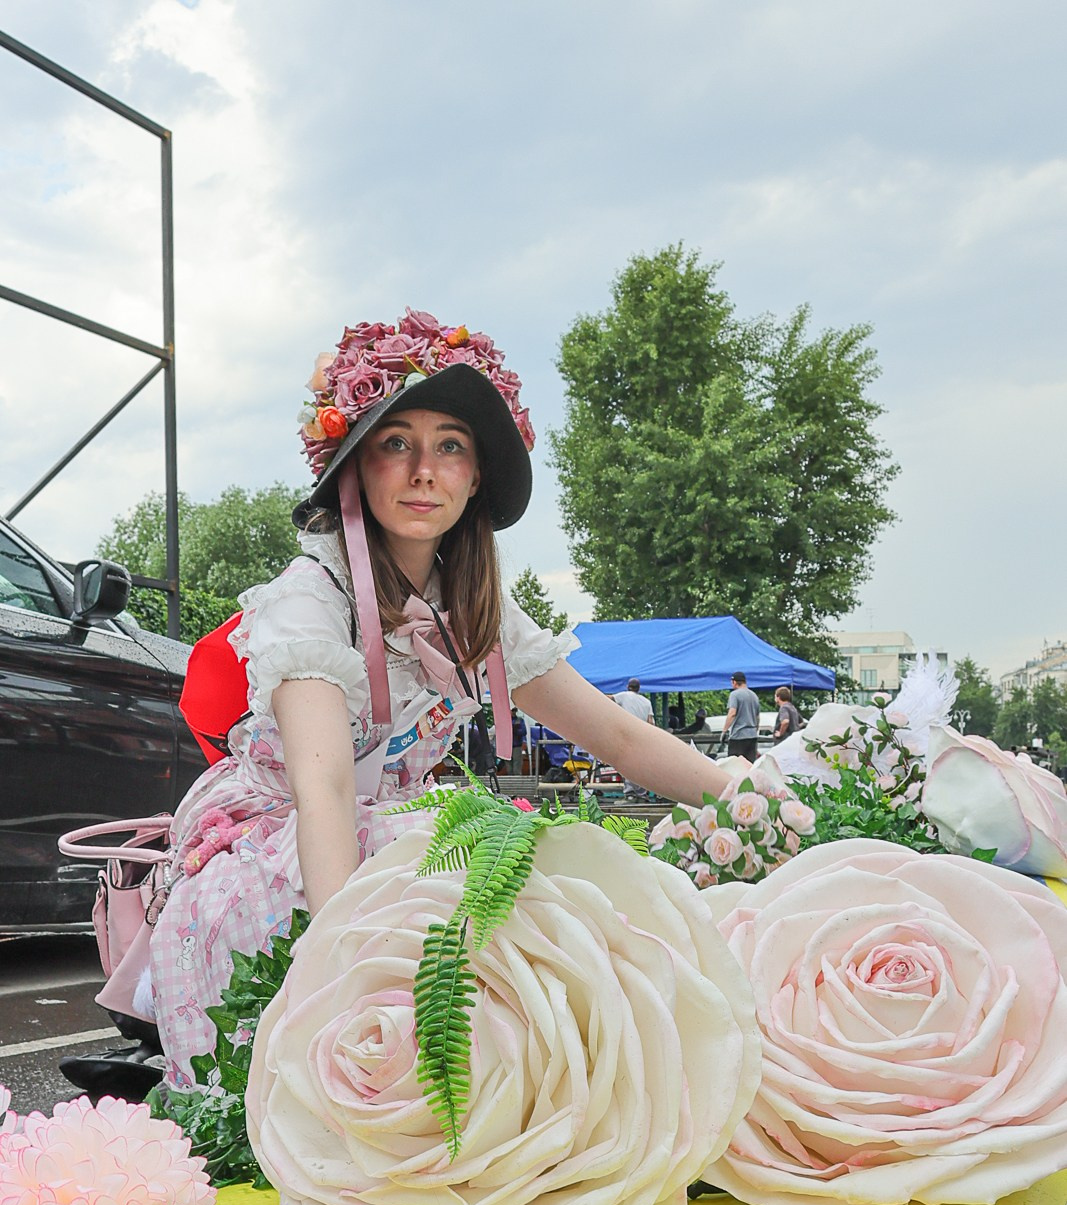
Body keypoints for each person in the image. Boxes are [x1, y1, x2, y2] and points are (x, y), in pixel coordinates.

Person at [139, 311, 732, 1089]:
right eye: (395, 443)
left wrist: (756, 800)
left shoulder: (473, 606)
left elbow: (618, 739)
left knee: (552, 865)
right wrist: (344, 964)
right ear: (355, 466)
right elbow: (323, 791)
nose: (424, 471)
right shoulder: (309, 600)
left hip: (400, 837)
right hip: (286, 849)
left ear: (475, 475)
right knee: (472, 863)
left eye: (450, 445)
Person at [611, 679, 655, 799]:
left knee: (627, 763)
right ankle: (642, 793)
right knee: (640, 765)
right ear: (639, 688)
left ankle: (630, 793)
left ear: (628, 686)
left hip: (628, 735)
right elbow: (650, 721)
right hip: (642, 736)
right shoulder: (646, 702)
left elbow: (608, 699)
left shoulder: (624, 696)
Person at [721, 671, 762, 763]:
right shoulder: (754, 695)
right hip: (752, 736)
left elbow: (732, 713)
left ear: (734, 682)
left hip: (738, 736)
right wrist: (755, 729)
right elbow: (757, 717)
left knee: (735, 764)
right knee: (749, 765)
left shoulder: (734, 695)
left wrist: (724, 731)